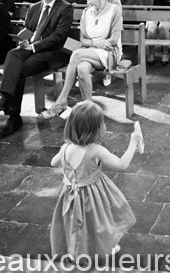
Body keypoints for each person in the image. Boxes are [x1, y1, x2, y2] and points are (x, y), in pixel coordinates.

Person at [50, 102, 140, 259]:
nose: (104, 125)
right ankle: (104, 246)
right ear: (95, 129)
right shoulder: (96, 150)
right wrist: (133, 142)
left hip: (70, 195)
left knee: (76, 223)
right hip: (93, 196)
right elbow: (122, 164)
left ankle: (75, 250)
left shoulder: (65, 148)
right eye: (102, 122)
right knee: (99, 222)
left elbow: (53, 163)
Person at [0, 0, 74, 138]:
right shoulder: (35, 7)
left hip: (51, 52)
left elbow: (58, 37)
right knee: (13, 53)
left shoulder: (65, 7)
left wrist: (33, 46)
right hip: (30, 47)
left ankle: (13, 114)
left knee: (19, 72)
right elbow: (28, 30)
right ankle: (7, 100)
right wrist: (23, 41)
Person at [42, 0, 122, 119]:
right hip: (92, 50)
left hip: (110, 52)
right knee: (82, 69)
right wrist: (97, 43)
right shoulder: (86, 12)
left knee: (77, 53)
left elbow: (114, 40)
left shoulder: (114, 9)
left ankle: (61, 101)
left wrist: (97, 44)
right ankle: (89, 109)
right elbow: (83, 39)